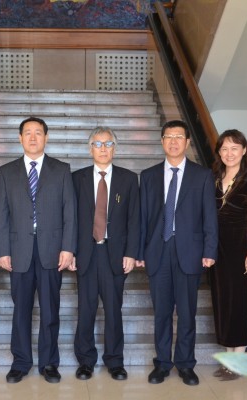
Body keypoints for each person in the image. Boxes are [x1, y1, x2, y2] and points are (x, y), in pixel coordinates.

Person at [0, 116, 77, 384]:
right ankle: (20, 362)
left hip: (52, 251)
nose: (32, 137)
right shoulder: (5, 172)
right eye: (27, 133)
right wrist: (2, 250)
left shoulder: (61, 169)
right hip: (19, 251)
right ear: (20, 138)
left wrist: (68, 248)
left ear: (46, 137)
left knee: (50, 311)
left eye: (38, 133)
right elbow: (1, 215)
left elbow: (70, 212)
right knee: (21, 311)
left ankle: (49, 363)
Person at [137, 120, 218, 386]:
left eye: (178, 137)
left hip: (190, 252)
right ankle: (162, 363)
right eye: (168, 137)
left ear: (187, 142)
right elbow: (142, 218)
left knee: (186, 313)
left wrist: (209, 250)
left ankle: (185, 364)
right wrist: (139, 251)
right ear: (162, 141)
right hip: (158, 250)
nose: (173, 142)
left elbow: (209, 216)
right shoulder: (148, 176)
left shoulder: (202, 175)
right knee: (161, 313)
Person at [71, 127, 139, 381]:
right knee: (86, 310)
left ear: (115, 149)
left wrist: (131, 253)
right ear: (90, 149)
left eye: (108, 144)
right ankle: (86, 361)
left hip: (115, 254)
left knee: (113, 311)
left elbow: (135, 220)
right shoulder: (76, 179)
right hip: (86, 253)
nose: (103, 149)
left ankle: (115, 361)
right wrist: (71, 251)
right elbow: (71, 219)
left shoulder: (128, 179)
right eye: (97, 144)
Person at [209, 129, 247, 381]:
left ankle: (238, 361)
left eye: (234, 148)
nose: (229, 153)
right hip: (216, 247)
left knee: (239, 302)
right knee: (222, 301)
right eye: (224, 149)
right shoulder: (213, 178)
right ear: (219, 152)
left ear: (244, 150)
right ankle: (229, 358)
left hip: (240, 247)